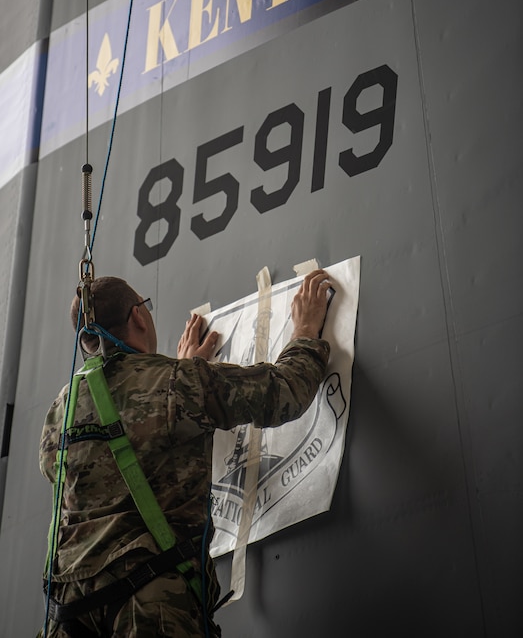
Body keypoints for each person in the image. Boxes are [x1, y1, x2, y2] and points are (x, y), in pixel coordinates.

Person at [39, 269, 330, 637]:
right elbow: (285, 392)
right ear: (138, 316)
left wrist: (181, 376)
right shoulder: (179, 383)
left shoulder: (58, 411)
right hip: (150, 607)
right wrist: (305, 332)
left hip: (69, 614)